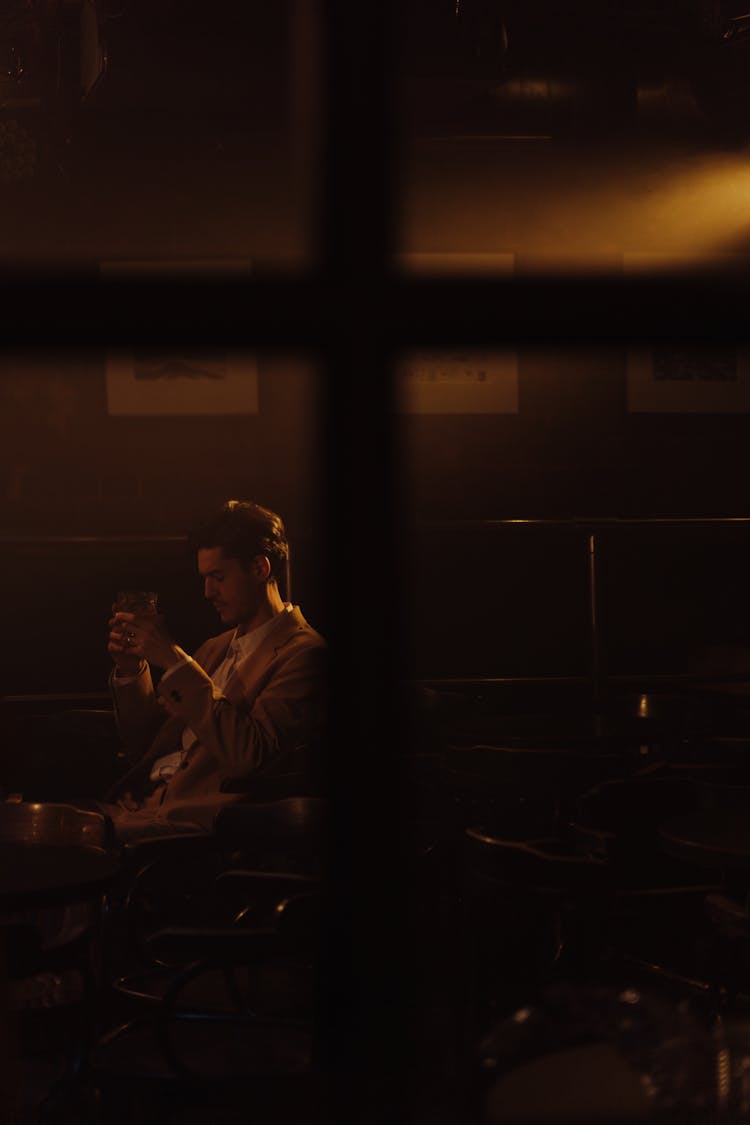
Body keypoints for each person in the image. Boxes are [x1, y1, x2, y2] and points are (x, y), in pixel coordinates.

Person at [100, 499, 327, 841]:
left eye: (218, 577)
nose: (208, 592)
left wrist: (175, 661)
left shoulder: (305, 655)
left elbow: (248, 757)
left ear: (260, 569)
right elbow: (143, 745)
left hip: (195, 828)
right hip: (138, 805)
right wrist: (133, 671)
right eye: (205, 578)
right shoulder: (215, 648)